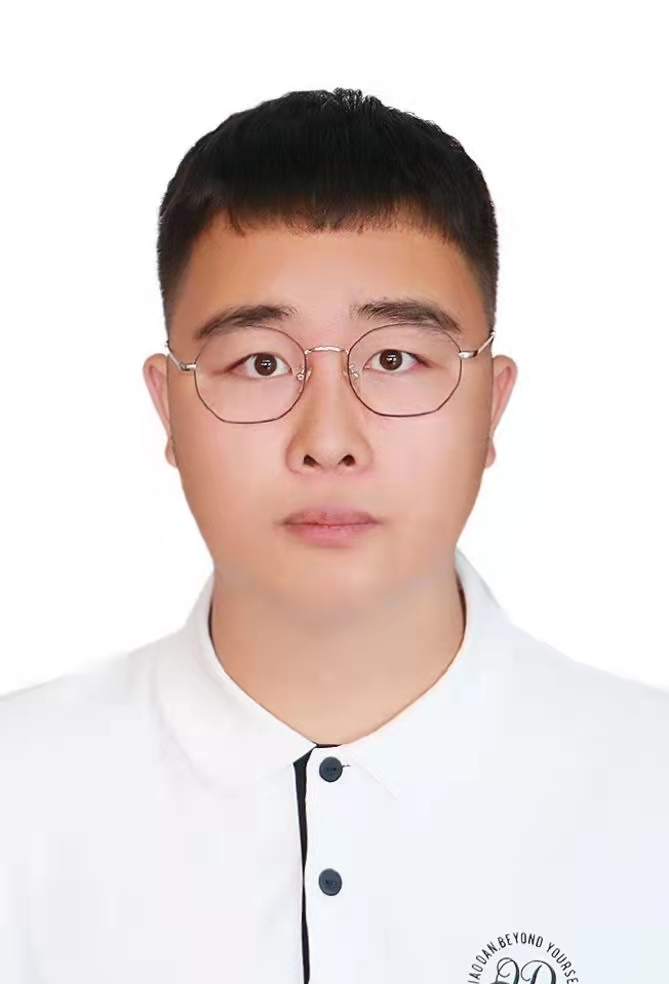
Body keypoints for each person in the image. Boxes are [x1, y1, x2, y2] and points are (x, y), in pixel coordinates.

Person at [0, 88, 667, 984]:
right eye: (259, 363)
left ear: (491, 403)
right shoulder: (20, 796)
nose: (327, 440)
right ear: (167, 406)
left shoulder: (648, 792)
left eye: (393, 359)